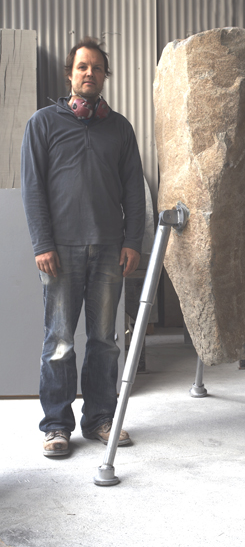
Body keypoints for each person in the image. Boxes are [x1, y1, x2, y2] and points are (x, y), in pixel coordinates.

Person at [21, 37, 145, 457]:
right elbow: (33, 189)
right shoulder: (42, 124)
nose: (89, 73)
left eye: (97, 67)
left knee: (104, 341)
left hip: (110, 250)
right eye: (82, 66)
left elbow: (134, 191)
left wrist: (133, 241)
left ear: (106, 75)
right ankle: (56, 426)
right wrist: (42, 243)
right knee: (59, 342)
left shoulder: (120, 128)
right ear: (69, 75)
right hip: (60, 251)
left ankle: (100, 419)